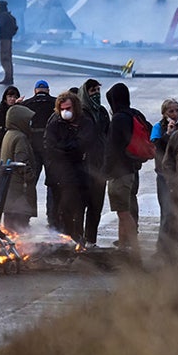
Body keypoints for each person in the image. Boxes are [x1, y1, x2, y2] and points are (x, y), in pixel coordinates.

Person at [104, 82, 152, 255]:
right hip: (132, 170)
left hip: (119, 173)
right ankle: (124, 246)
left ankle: (133, 247)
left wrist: (105, 171)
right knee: (124, 209)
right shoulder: (135, 114)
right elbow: (150, 131)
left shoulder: (118, 118)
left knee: (123, 212)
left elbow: (112, 148)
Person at [44, 91, 94, 243]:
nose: (65, 111)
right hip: (58, 176)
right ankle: (64, 240)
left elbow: (82, 145)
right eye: (62, 108)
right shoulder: (54, 123)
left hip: (78, 176)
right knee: (60, 211)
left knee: (77, 210)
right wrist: (66, 149)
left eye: (68, 108)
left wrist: (63, 148)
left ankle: (77, 239)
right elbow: (49, 147)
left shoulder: (84, 122)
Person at [79, 78, 111, 246]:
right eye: (93, 91)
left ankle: (91, 240)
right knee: (80, 205)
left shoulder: (103, 112)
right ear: (86, 93)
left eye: (98, 91)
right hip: (84, 168)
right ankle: (78, 240)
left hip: (100, 166)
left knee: (96, 206)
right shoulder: (81, 113)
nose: (97, 94)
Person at [21, 80, 57, 227]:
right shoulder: (55, 103)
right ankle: (52, 217)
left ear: (35, 90)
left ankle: (25, 217)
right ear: (47, 90)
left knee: (30, 182)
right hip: (50, 148)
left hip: (33, 148)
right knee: (52, 183)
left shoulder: (26, 104)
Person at [151, 98, 178, 258]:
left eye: (177, 110)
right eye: (171, 111)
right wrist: (168, 134)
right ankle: (162, 249)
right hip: (164, 176)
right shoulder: (159, 128)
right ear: (164, 114)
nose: (175, 114)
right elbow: (156, 149)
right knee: (167, 212)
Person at [0, 104, 37, 231]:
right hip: (20, 193)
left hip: (9, 193)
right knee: (20, 230)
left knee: (10, 229)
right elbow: (21, 162)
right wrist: (31, 177)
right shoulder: (20, 137)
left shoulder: (9, 134)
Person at [0, 0, 18, 85]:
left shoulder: (3, 16)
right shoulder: (9, 15)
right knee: (8, 59)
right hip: (8, 39)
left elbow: (2, 27)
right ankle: (9, 77)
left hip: (5, 39)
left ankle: (8, 78)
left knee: (5, 59)